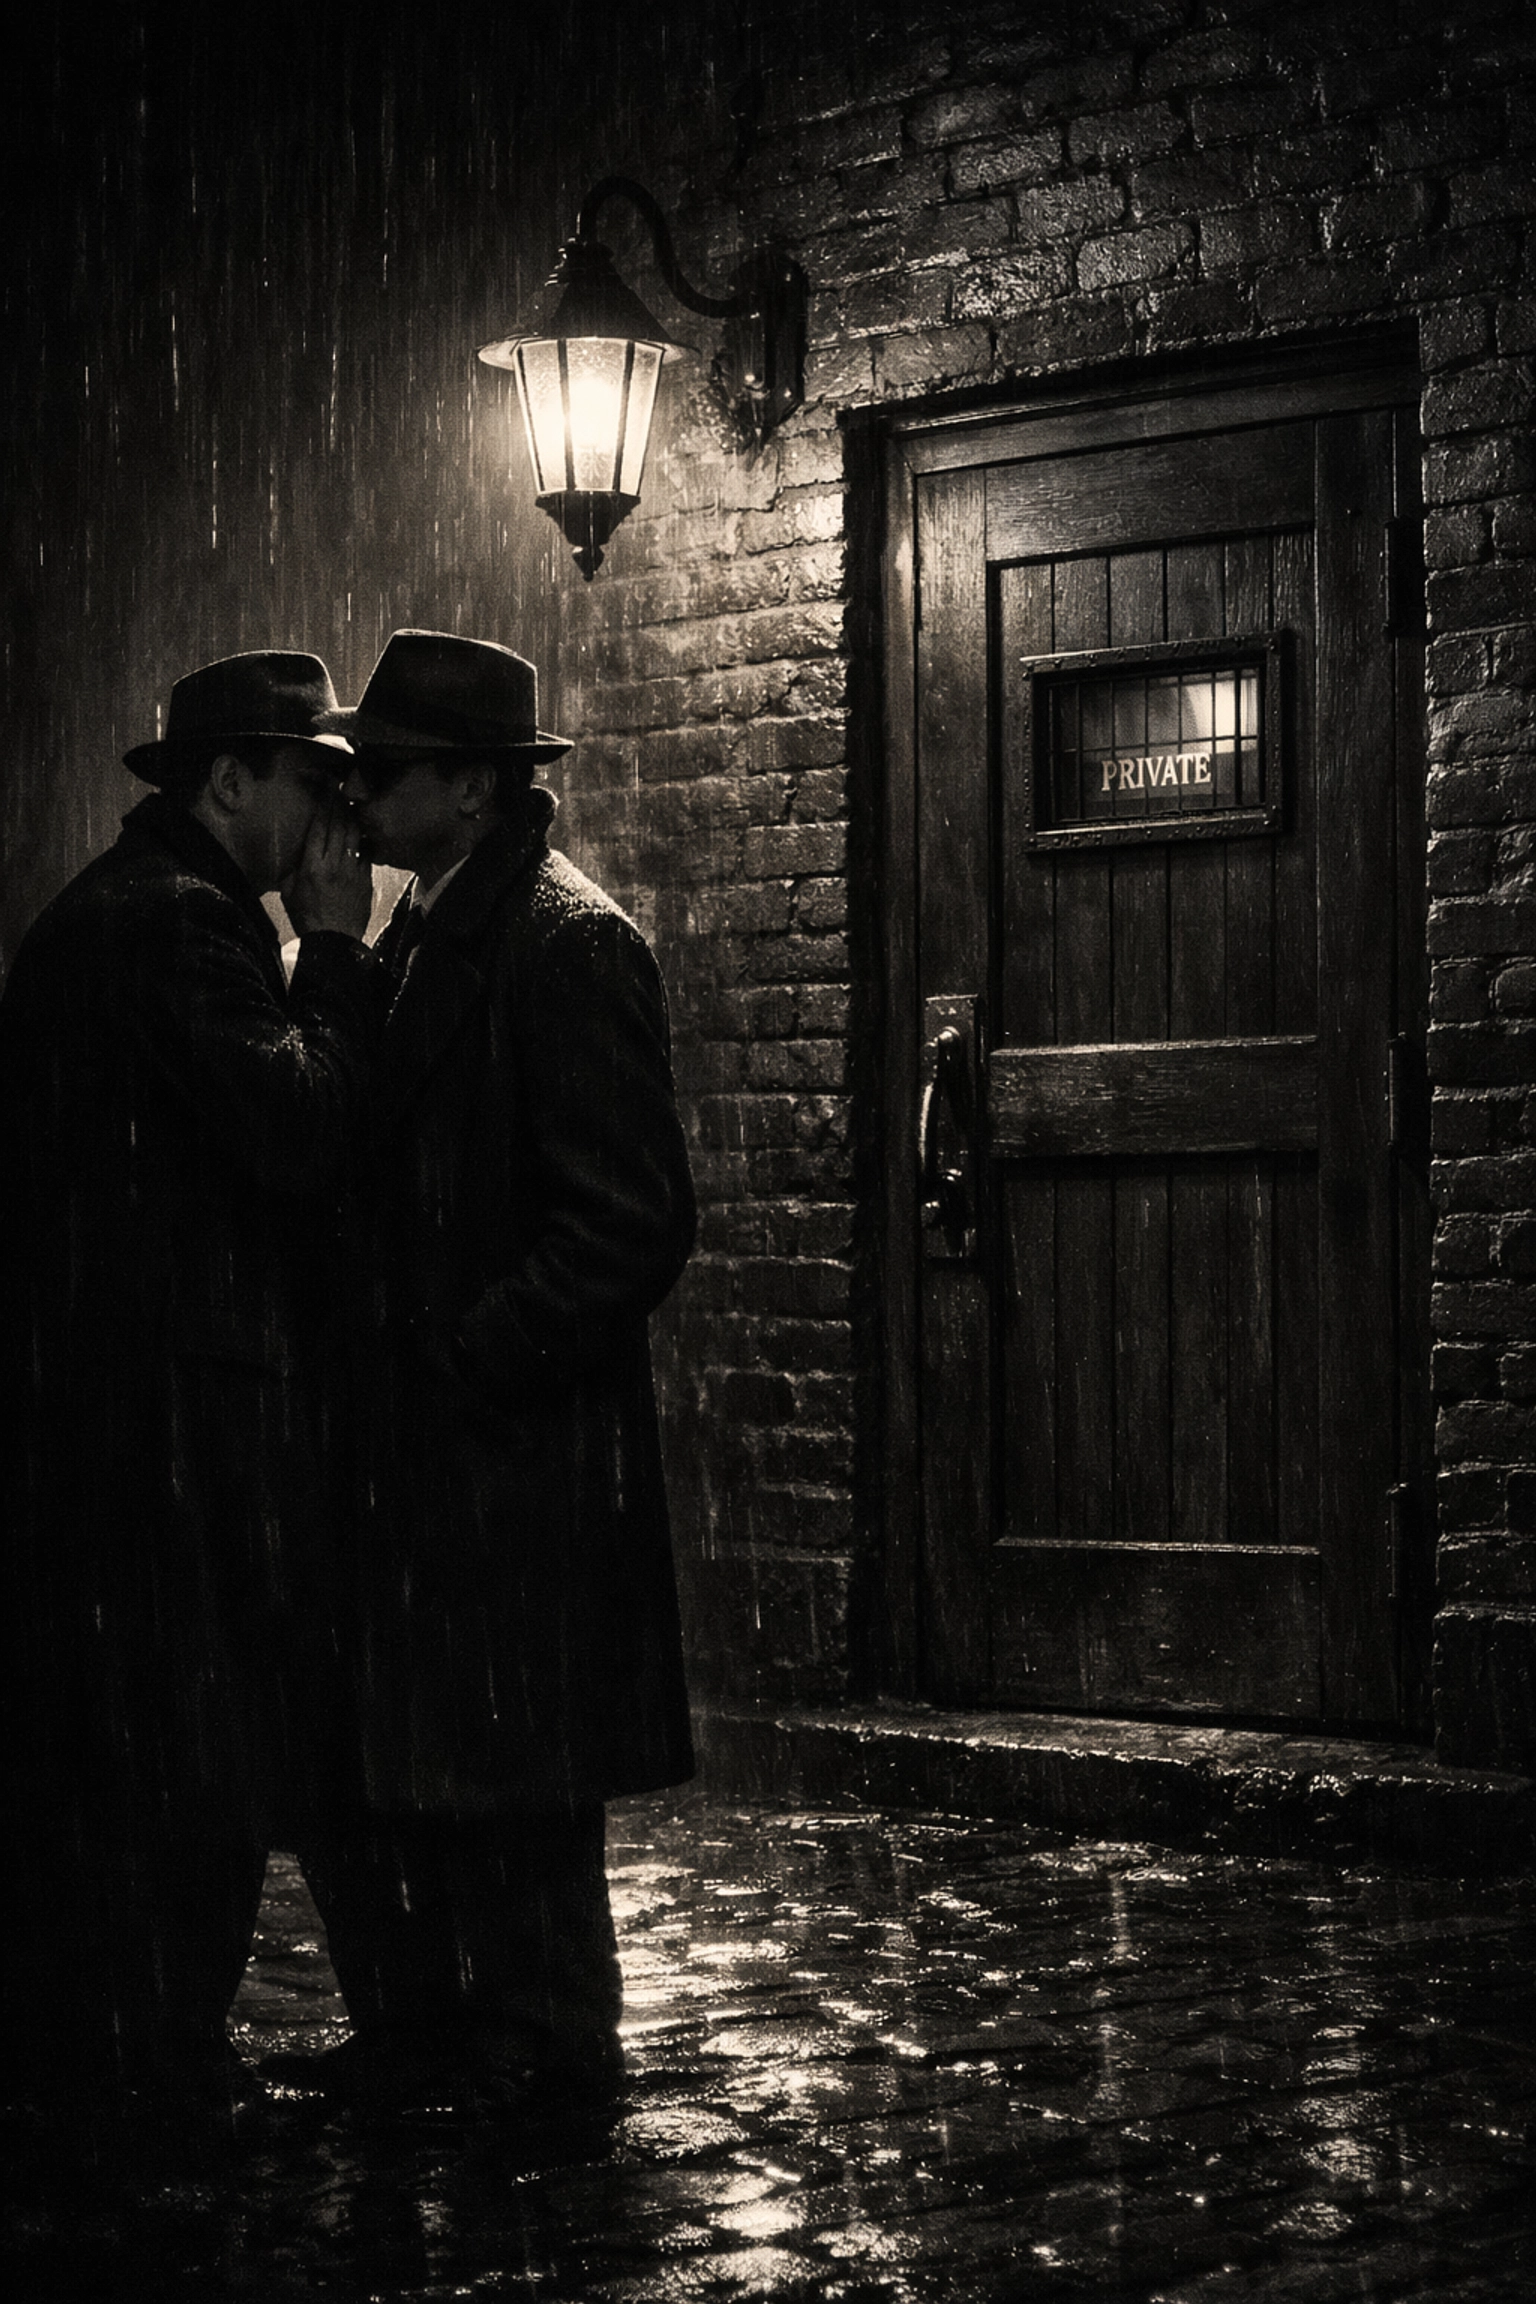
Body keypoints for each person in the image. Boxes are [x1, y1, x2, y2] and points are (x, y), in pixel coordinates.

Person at [281, 629, 697, 2116]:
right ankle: (452, 2047)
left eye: (381, 772)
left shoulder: (565, 944)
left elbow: (632, 1221)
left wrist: (465, 1366)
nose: (354, 797)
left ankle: (549, 2073)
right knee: (444, 1769)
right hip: (447, 1453)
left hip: (515, 1458)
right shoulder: (432, 926)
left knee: (521, 1790)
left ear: (469, 787)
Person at [0, 651, 378, 2145]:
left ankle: (116, 2052)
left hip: (109, 1409)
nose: (336, 814)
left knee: (128, 1746)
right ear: (230, 780)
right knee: (181, 1754)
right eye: (314, 781)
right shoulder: (174, 927)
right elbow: (304, 1132)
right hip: (154, 1425)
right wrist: (338, 952)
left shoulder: (137, 913)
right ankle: (139, 2061)